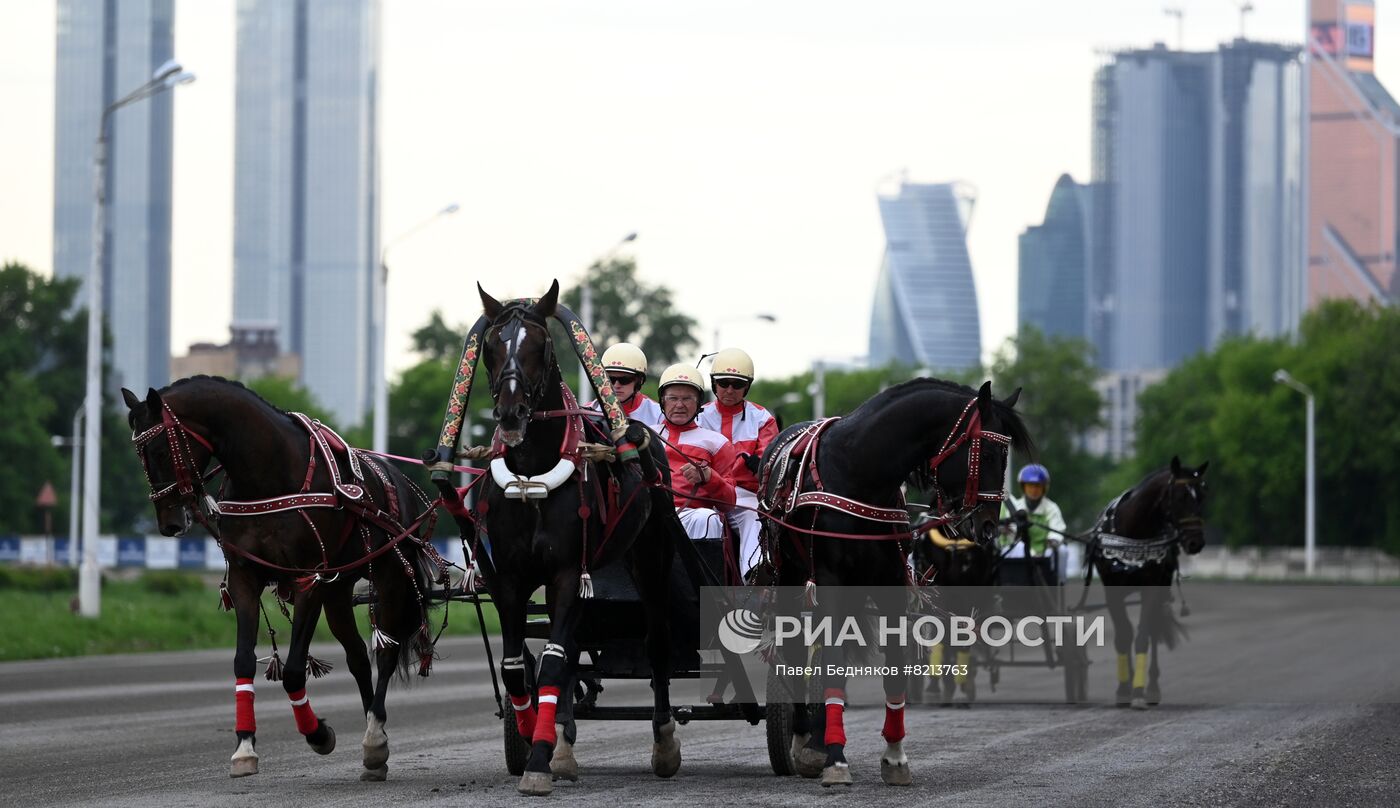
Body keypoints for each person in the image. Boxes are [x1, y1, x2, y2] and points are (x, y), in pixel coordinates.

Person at [697, 347, 778, 579]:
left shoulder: (763, 418)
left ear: (747, 387)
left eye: (737, 384)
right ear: (714, 384)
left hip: (742, 494)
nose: (730, 390)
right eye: (724, 383)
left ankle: (754, 576)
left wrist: (758, 465)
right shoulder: (698, 415)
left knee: (754, 515)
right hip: (703, 492)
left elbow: (768, 464)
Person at [655, 363, 740, 542]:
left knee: (707, 518)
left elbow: (729, 503)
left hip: (691, 516)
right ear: (662, 400)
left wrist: (710, 478)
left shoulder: (717, 443)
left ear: (699, 403)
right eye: (672, 398)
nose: (679, 405)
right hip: (648, 516)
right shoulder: (645, 434)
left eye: (687, 399)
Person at [1001, 463, 1068, 575]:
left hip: (1044, 552)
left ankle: (1058, 584)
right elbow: (1011, 534)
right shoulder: (1015, 507)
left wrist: (1052, 542)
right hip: (1020, 553)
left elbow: (1058, 530)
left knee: (1062, 551)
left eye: (1038, 486)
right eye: (1030, 486)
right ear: (1023, 487)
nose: (1034, 490)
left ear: (1044, 488)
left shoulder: (1051, 508)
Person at [593, 342, 663, 427]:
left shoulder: (659, 415)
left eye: (625, 380)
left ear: (639, 381)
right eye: (610, 379)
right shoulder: (590, 410)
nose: (616, 385)